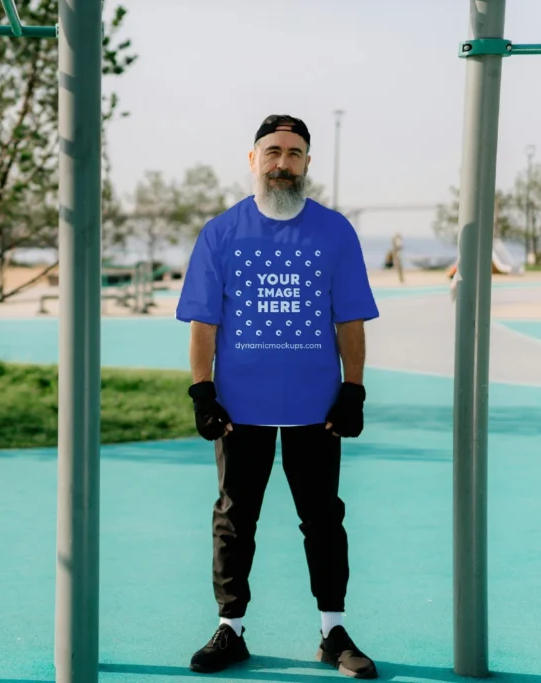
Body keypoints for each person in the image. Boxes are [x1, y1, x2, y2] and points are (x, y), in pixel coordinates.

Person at [175, 114, 380, 679]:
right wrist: (202, 392)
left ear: (307, 162)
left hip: (316, 410)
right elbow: (203, 322)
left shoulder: (335, 232)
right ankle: (230, 629)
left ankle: (332, 631)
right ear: (253, 160)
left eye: (294, 152)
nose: (283, 163)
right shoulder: (220, 233)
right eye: (273, 151)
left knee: (323, 520)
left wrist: (353, 390)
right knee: (235, 519)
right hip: (241, 411)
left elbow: (351, 318)